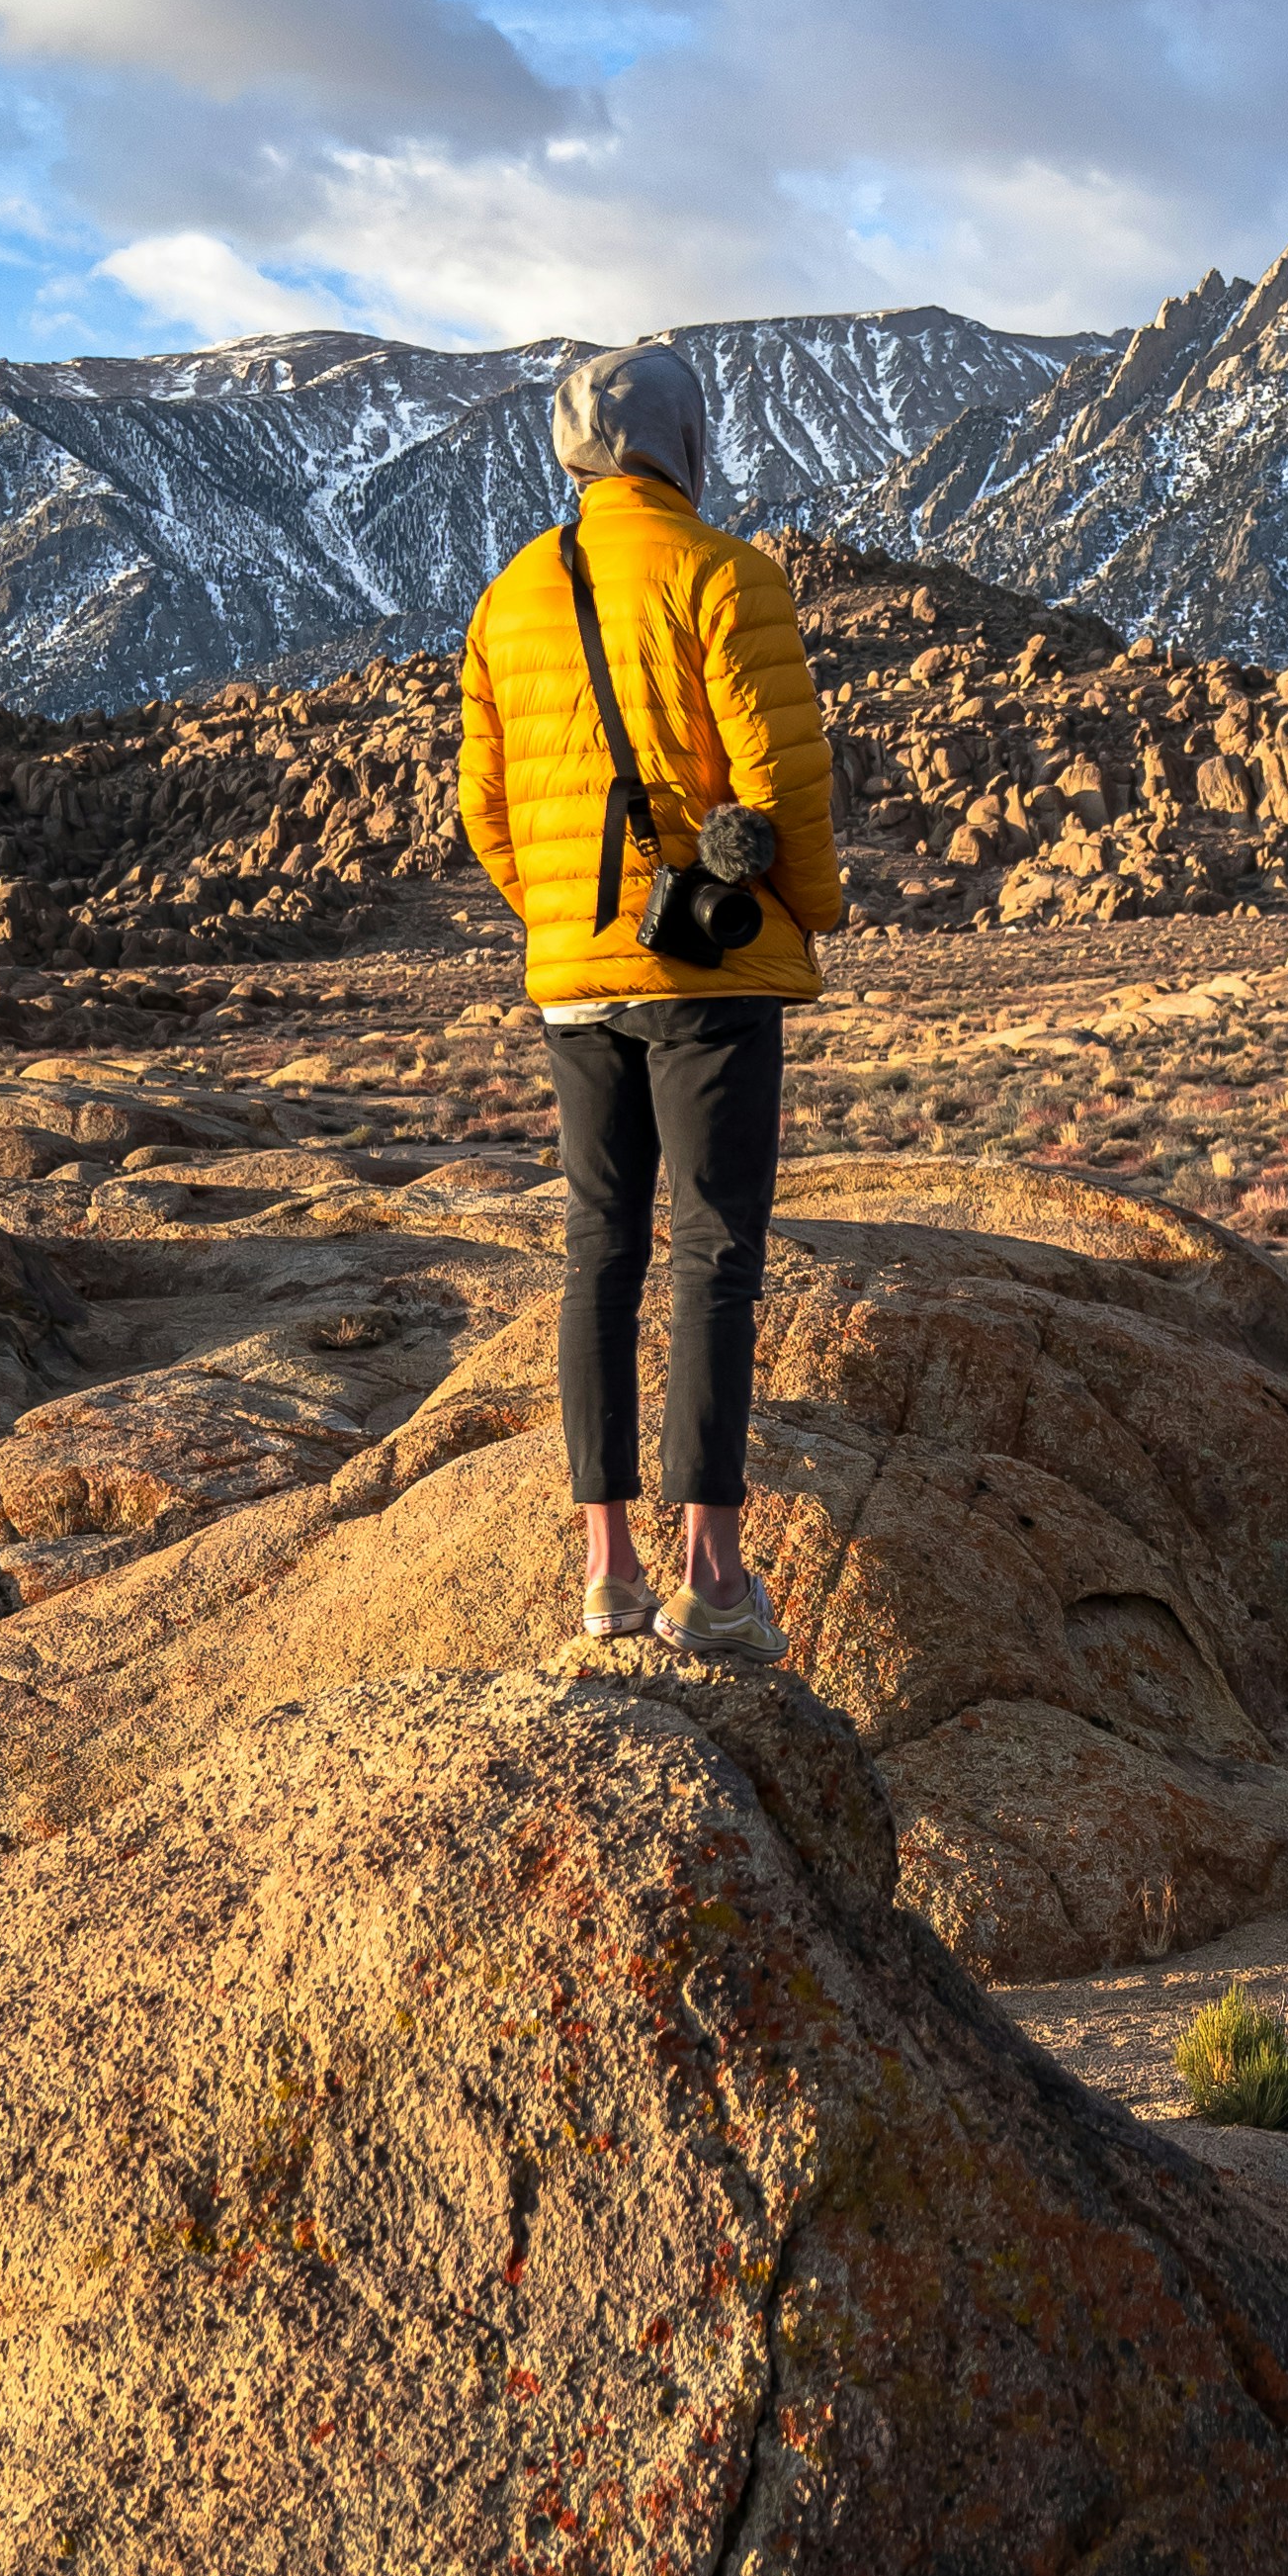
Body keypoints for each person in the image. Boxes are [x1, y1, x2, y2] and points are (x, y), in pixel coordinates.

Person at [458, 335, 844, 1659]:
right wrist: (814, 905)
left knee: (598, 1252)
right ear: (684, 440)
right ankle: (715, 1579)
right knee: (716, 1255)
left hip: (575, 974)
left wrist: (559, 914)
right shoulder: (726, 575)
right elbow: (777, 784)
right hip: (706, 974)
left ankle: (606, 1572)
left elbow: (483, 805)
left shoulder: (511, 594)